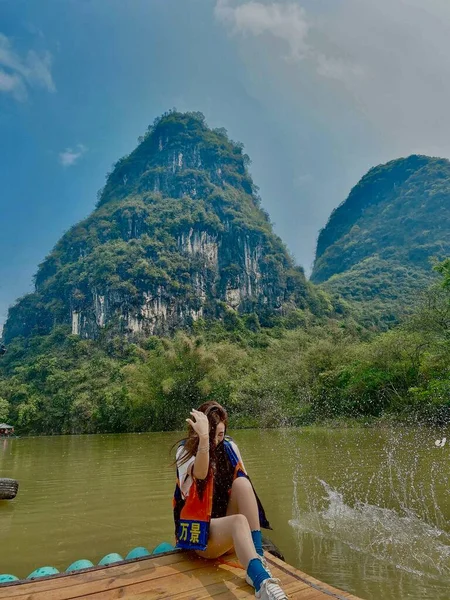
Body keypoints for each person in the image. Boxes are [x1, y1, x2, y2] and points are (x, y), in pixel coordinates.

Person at [173, 401, 289, 600]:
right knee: (238, 522)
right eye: (212, 435)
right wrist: (203, 439)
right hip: (201, 538)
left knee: (242, 484)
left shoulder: (229, 446)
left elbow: (245, 488)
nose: (217, 441)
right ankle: (262, 584)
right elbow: (200, 474)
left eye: (220, 434)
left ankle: (258, 559)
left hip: (225, 532)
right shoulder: (185, 452)